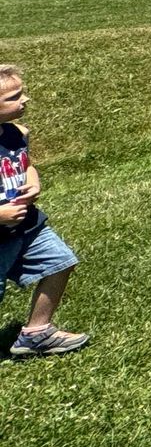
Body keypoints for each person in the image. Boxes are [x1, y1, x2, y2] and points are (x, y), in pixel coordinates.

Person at [0, 64, 89, 357]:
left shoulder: (17, 133)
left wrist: (33, 182)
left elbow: (27, 165)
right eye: (14, 97)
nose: (24, 100)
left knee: (61, 261)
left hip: (28, 227)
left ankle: (36, 333)